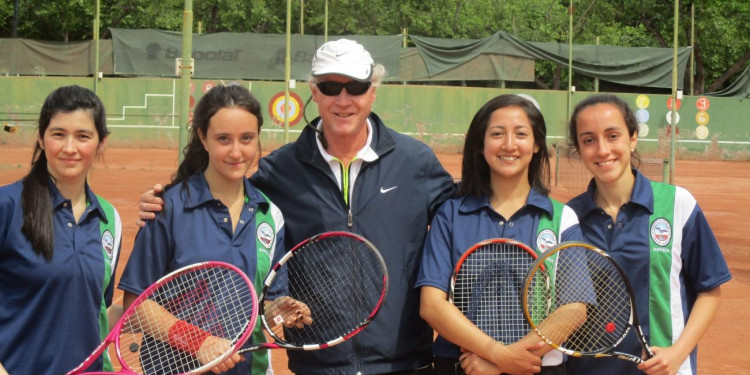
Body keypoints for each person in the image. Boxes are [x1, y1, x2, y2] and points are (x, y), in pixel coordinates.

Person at [137, 38, 456, 375]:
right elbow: (223, 194)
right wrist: (164, 199)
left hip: (406, 364)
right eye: (331, 87)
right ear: (314, 91)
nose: (344, 100)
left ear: (373, 91)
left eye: (357, 87)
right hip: (317, 366)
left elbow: (466, 212)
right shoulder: (278, 172)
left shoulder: (416, 162)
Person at [119, 84, 298, 375]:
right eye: (224, 139)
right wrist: (198, 342)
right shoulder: (168, 208)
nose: (237, 151)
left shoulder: (269, 214)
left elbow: (268, 303)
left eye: (247, 138)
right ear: (203, 137)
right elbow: (136, 306)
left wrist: (282, 311)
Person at [564, 94, 731, 375]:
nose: (602, 150)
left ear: (632, 138)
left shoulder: (678, 204)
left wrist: (678, 353)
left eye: (613, 135)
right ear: (579, 150)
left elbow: (710, 290)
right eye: (589, 140)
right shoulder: (568, 218)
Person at [417, 94, 584, 375]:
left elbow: (573, 309)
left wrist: (511, 359)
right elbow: (432, 306)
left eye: (520, 133)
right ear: (481, 145)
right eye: (497, 134)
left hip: (538, 367)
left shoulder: (561, 218)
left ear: (537, 144)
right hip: (464, 367)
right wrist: (497, 354)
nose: (509, 144)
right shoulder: (451, 214)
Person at [0, 85, 121, 374]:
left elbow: (95, 311)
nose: (70, 148)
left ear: (101, 142)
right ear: (41, 138)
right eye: (58, 134)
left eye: (83, 136)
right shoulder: (6, 206)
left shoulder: (110, 220)